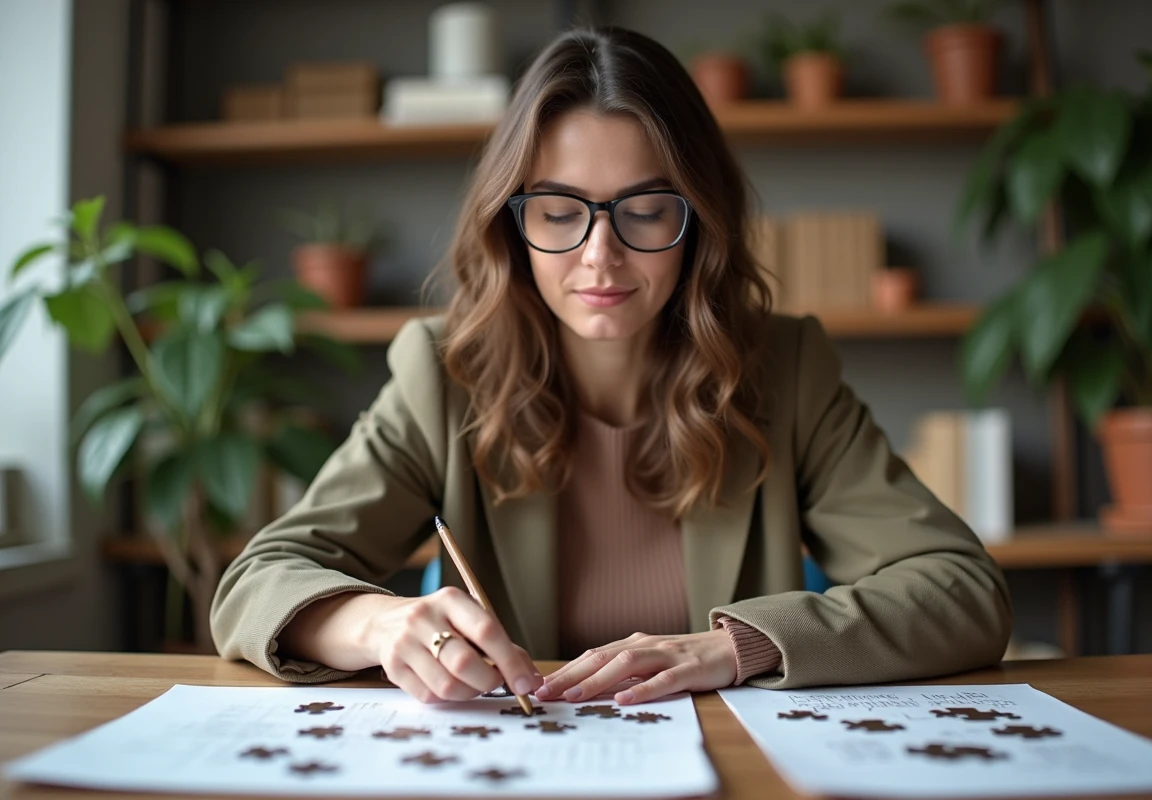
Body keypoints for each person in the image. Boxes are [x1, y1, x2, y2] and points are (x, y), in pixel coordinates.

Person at [211, 27, 1011, 707]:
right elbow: (258, 582)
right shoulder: (442, 373)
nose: (601, 257)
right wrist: (375, 623)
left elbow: (963, 591)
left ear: (699, 222)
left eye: (646, 211)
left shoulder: (785, 369)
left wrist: (735, 649)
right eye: (559, 212)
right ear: (511, 227)